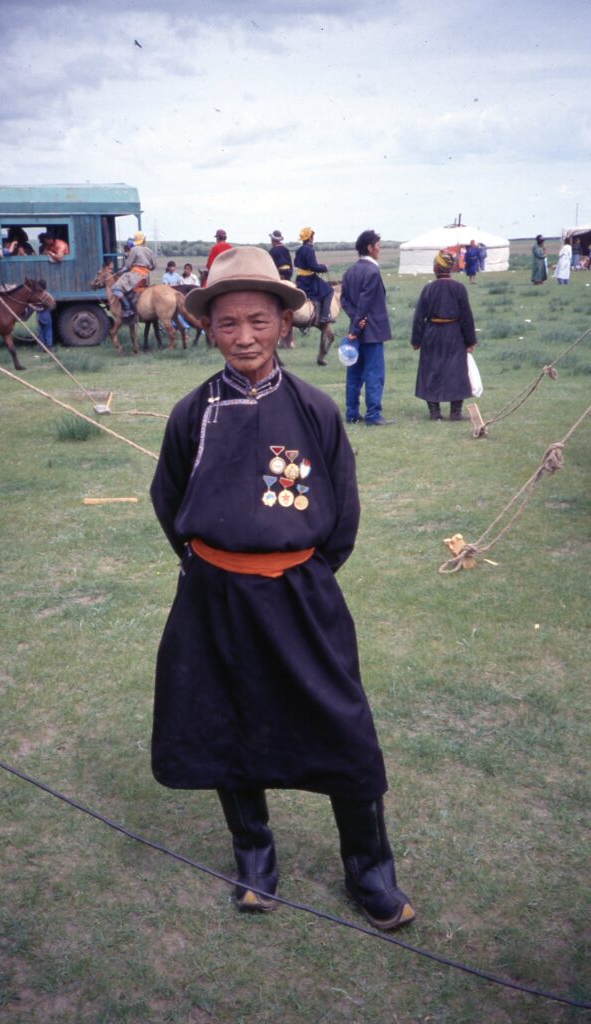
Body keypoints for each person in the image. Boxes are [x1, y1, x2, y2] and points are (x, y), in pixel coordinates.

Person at [149, 246, 415, 932]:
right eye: (229, 323)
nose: (244, 337)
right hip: (214, 599)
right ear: (210, 328)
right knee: (225, 722)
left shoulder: (316, 409)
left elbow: (342, 515)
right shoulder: (191, 413)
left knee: (342, 726)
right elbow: (168, 498)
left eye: (258, 322)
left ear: (282, 324)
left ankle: (368, 868)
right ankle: (255, 857)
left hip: (300, 595)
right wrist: (213, 564)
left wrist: (299, 573)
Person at [410, 250, 477, 421]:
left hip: (431, 334)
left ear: (436, 268)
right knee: (456, 371)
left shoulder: (428, 289)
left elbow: (419, 317)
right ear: (450, 269)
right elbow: (467, 317)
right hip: (454, 334)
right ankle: (455, 412)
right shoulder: (459, 288)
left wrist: (416, 340)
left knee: (431, 370)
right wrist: (470, 341)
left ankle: (435, 413)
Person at [340, 229, 393, 426]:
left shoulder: (350, 271)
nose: (379, 250)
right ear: (370, 248)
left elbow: (344, 300)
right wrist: (358, 326)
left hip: (357, 330)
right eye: (378, 246)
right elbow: (365, 303)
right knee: (374, 374)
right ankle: (373, 415)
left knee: (354, 374)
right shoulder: (372, 271)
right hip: (371, 332)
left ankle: (352, 414)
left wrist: (354, 323)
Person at [293, 227, 334, 324]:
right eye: (312, 236)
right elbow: (313, 266)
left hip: (300, 278)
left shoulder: (299, 250)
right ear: (310, 238)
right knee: (329, 291)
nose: (313, 238)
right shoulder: (309, 250)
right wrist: (324, 267)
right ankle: (325, 317)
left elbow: (297, 263)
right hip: (309, 280)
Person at [112, 232, 156, 318]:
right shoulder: (149, 250)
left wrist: (120, 272)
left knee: (115, 288)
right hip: (145, 276)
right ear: (144, 240)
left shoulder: (134, 249)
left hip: (136, 276)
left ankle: (128, 309)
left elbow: (128, 265)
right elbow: (154, 266)